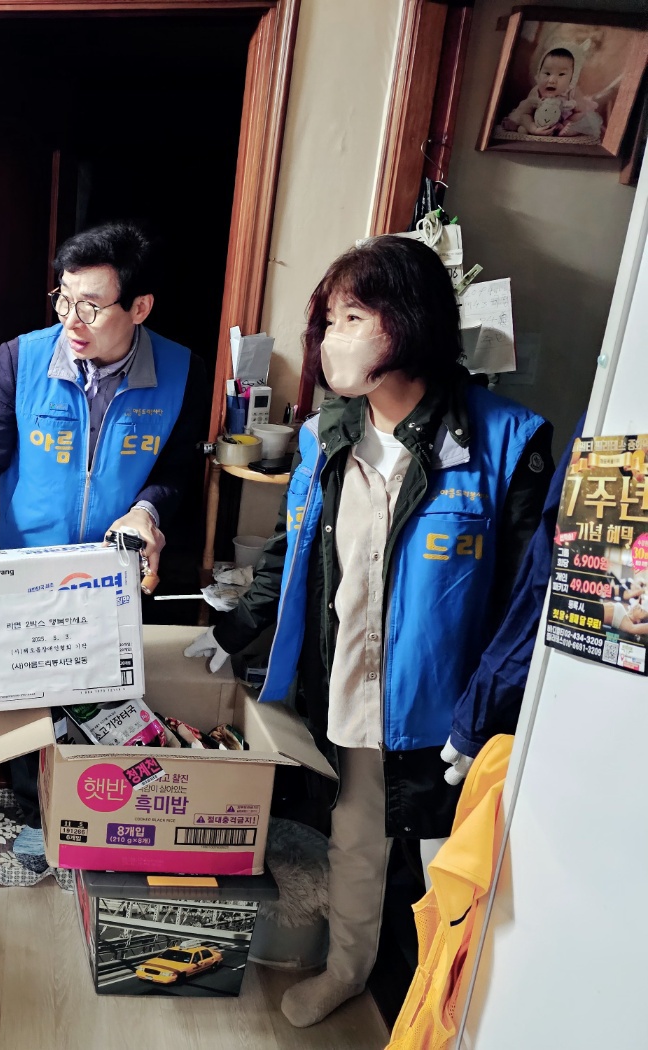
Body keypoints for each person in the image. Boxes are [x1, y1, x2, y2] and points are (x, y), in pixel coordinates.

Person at [185, 235, 552, 1028]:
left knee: (457, 866)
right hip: (351, 688)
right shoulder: (325, 436)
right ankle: (349, 972)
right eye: (328, 319)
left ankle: (448, 1016)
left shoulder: (507, 440)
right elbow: (290, 550)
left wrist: (490, 708)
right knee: (354, 840)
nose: (330, 338)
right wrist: (236, 629)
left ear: (410, 320)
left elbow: (529, 601)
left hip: (453, 713)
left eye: (354, 317)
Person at [0, 221, 209, 869]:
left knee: (104, 702)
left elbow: (178, 472)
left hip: (111, 574)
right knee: (28, 704)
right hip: (26, 568)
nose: (72, 321)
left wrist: (147, 511)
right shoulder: (22, 358)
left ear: (139, 307)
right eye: (64, 300)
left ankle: (98, 822)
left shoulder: (181, 370)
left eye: (91, 306)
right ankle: (35, 818)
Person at [500, 47, 602, 140]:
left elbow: (580, 111)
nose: (552, 80)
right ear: (539, 73)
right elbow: (526, 113)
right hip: (538, 121)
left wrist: (566, 122)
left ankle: (566, 130)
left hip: (565, 120)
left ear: (572, 78)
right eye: (547, 73)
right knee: (522, 118)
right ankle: (519, 126)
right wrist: (533, 128)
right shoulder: (537, 91)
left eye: (561, 74)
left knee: (581, 124)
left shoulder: (572, 92)